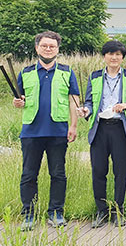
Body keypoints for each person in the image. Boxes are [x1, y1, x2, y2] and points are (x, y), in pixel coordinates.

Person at [13, 31, 80, 231]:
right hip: (31, 132)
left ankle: (56, 212)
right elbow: (19, 100)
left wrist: (73, 126)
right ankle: (29, 215)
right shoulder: (25, 72)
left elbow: (73, 100)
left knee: (58, 174)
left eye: (52, 46)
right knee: (28, 175)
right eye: (44, 46)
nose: (48, 49)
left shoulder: (67, 72)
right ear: (37, 48)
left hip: (58, 132)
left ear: (58, 50)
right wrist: (17, 102)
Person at [78, 40, 126, 228]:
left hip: (120, 128)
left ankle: (118, 211)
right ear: (104, 56)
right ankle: (101, 211)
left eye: (118, 54)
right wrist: (86, 110)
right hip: (100, 128)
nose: (114, 57)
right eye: (110, 54)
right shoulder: (95, 76)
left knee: (120, 172)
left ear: (123, 57)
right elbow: (89, 101)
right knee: (99, 171)